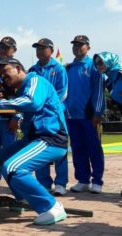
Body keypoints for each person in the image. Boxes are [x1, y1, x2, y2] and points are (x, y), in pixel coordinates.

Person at [0, 57, 68, 225]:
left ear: (19, 68)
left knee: (13, 168)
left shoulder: (34, 80)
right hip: (35, 138)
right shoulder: (21, 89)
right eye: (1, 74)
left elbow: (33, 102)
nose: (3, 76)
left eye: (6, 71)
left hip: (51, 138)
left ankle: (51, 206)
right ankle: (25, 199)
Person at [65, 35, 105, 194]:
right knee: (77, 148)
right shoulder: (68, 68)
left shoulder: (94, 66)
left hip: (89, 115)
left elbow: (99, 91)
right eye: (74, 45)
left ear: (88, 47)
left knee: (94, 148)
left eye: (80, 45)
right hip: (71, 116)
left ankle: (97, 181)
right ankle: (83, 180)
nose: (77, 47)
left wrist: (98, 112)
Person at [29, 38, 68, 195]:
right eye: (37, 48)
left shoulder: (58, 69)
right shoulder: (32, 70)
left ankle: (61, 183)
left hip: (55, 115)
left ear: (51, 50)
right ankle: (44, 183)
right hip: (38, 116)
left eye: (42, 48)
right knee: (40, 147)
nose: (39, 51)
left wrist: (47, 105)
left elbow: (63, 92)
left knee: (59, 147)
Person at [93, 52, 122, 197]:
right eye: (97, 63)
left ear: (110, 61)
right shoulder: (109, 80)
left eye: (101, 62)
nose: (99, 66)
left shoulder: (120, 73)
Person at [0, 36, 20, 151]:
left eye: (6, 48)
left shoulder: (17, 67)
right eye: (1, 47)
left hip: (9, 116)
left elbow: (22, 94)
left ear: (14, 50)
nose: (2, 50)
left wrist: (17, 117)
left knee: (10, 150)